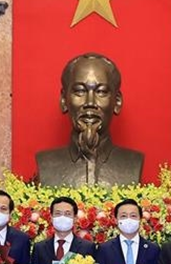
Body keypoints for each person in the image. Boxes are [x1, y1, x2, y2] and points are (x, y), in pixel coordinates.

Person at [36, 53, 143, 187]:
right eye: (80, 91)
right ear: (64, 100)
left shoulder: (133, 163)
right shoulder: (46, 163)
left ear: (117, 102)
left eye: (101, 92)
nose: (90, 103)